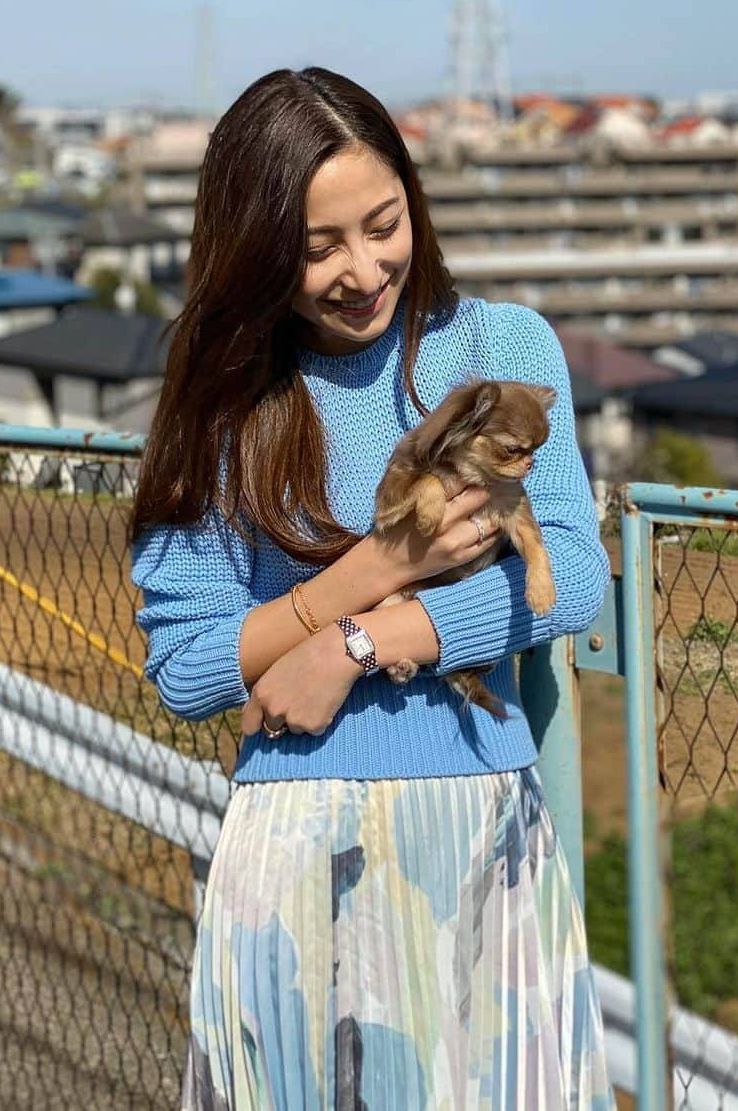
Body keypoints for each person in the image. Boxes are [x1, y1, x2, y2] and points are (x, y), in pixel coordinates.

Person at [129, 66, 616, 1109]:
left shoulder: (501, 345)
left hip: (479, 833)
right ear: (259, 255)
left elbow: (570, 577)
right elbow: (184, 664)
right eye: (317, 250)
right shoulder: (225, 401)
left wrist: (361, 644)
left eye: (383, 224)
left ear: (414, 202)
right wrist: (377, 571)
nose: (364, 270)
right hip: (297, 848)